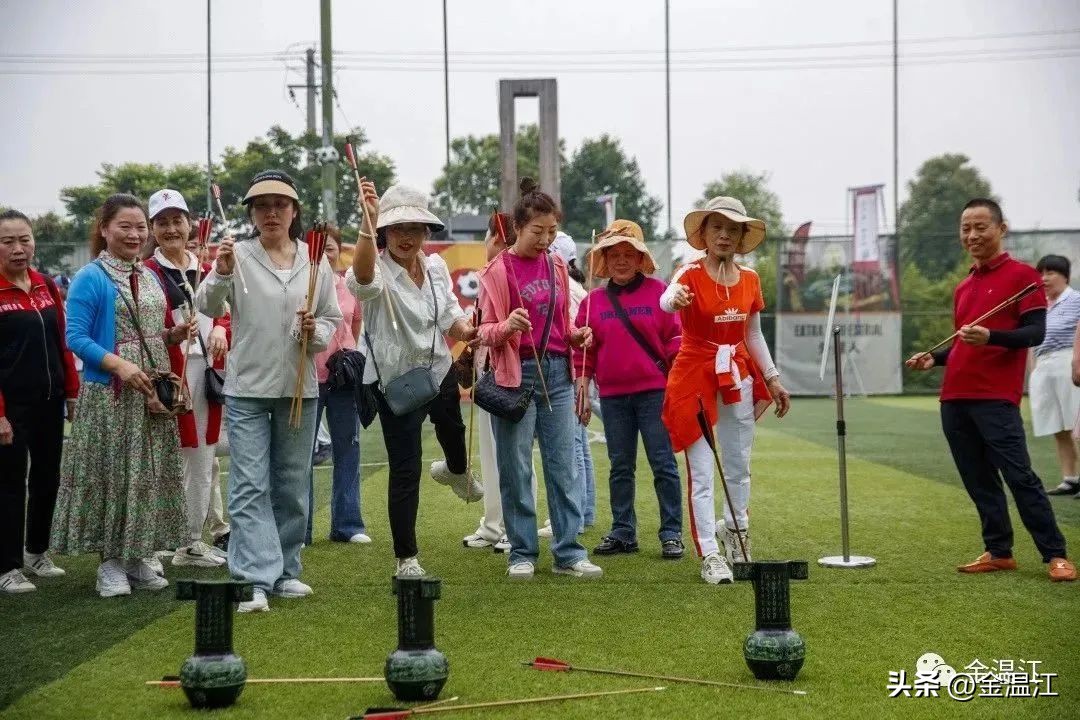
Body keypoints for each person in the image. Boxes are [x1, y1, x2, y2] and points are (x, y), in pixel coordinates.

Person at [906, 198, 1075, 582]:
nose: (972, 235)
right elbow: (968, 344)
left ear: (1001, 228)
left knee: (1019, 476)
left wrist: (992, 336)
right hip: (954, 397)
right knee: (977, 478)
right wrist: (936, 358)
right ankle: (999, 550)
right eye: (966, 228)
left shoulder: (1023, 277)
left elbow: (1035, 332)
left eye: (981, 227)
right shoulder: (964, 285)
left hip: (995, 397)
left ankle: (1056, 554)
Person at [197, 170, 343, 612]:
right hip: (246, 387)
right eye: (262, 205)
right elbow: (205, 305)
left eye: (281, 204)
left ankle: (285, 570)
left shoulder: (315, 260)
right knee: (248, 483)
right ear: (252, 215)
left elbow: (332, 320)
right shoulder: (236, 255)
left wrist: (314, 331)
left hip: (300, 385)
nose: (272, 212)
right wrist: (220, 274)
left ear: (294, 210)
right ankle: (254, 577)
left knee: (293, 484)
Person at [52, 193, 189, 597]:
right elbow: (74, 336)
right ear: (105, 229)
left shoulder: (148, 274)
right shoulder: (90, 277)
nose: (135, 234)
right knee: (113, 475)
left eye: (140, 227)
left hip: (149, 393)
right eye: (124, 226)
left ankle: (136, 555)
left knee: (145, 474)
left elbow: (148, 331)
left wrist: (171, 335)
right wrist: (119, 365)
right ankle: (110, 563)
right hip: (111, 395)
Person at [347, 182, 477, 577]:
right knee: (406, 468)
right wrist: (366, 222)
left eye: (415, 228)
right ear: (384, 232)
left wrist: (472, 331)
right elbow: (363, 276)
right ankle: (407, 558)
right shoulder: (376, 268)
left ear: (426, 233)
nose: (406, 237)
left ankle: (456, 472)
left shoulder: (435, 267)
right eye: (397, 228)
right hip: (395, 382)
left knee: (454, 435)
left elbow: (449, 317)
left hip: (437, 369)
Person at [661, 196, 791, 585]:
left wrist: (772, 377)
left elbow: (752, 333)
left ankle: (735, 533)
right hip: (694, 373)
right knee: (701, 470)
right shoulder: (687, 273)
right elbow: (666, 300)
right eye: (717, 227)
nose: (724, 235)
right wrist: (675, 299)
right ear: (704, 234)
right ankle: (710, 553)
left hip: (737, 373)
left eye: (732, 229)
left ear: (741, 236)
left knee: (738, 463)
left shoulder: (750, 279)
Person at [476, 178, 601, 580]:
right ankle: (522, 552)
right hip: (515, 375)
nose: (545, 240)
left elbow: (559, 321)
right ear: (516, 228)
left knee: (564, 464)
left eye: (552, 232)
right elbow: (483, 331)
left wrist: (574, 335)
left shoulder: (558, 265)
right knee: (516, 469)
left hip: (559, 372)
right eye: (537, 232)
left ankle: (569, 551)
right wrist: (508, 326)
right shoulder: (496, 271)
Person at [573, 219, 684, 560]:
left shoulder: (659, 292)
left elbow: (675, 341)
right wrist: (582, 389)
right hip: (613, 398)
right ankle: (623, 532)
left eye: (628, 254)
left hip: (655, 394)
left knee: (663, 463)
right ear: (604, 260)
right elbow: (582, 350)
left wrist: (679, 386)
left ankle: (671, 533)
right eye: (614, 254)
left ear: (640, 260)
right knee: (620, 466)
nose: (621, 260)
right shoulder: (592, 301)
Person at [143, 189, 230, 567]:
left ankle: (191, 540)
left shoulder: (205, 266)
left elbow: (226, 308)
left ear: (189, 223)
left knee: (202, 456)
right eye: (162, 222)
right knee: (166, 459)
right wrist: (173, 335)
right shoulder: (147, 272)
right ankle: (168, 538)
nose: (171, 228)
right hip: (167, 375)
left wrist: (221, 329)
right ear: (152, 228)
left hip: (205, 370)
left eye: (177, 220)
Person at [0, 210, 79, 593]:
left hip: (50, 401)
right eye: (8, 241)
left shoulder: (45, 285)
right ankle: (8, 566)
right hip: (10, 408)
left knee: (48, 478)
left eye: (25, 239)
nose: (19, 248)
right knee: (10, 484)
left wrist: (72, 393)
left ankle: (37, 552)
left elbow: (63, 343)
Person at [306, 226, 369, 545]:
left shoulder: (348, 286)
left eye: (330, 249)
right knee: (303, 455)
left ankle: (348, 525)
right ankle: (300, 529)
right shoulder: (302, 285)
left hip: (344, 378)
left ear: (339, 251)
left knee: (349, 449)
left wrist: (348, 353)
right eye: (318, 248)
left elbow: (355, 322)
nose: (324, 255)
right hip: (308, 377)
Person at [550, 230, 596, 533]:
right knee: (579, 445)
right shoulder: (577, 286)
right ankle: (585, 511)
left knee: (574, 446)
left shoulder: (566, 286)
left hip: (571, 372)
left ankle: (576, 517)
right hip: (576, 370)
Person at [1029, 255, 1080, 497]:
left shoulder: (1077, 299)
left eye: (1051, 273)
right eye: (1041, 273)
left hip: (1069, 361)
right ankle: (1070, 478)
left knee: (1077, 423)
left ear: (1065, 276)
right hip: (1044, 365)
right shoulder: (1040, 306)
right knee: (1057, 425)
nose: (1044, 278)